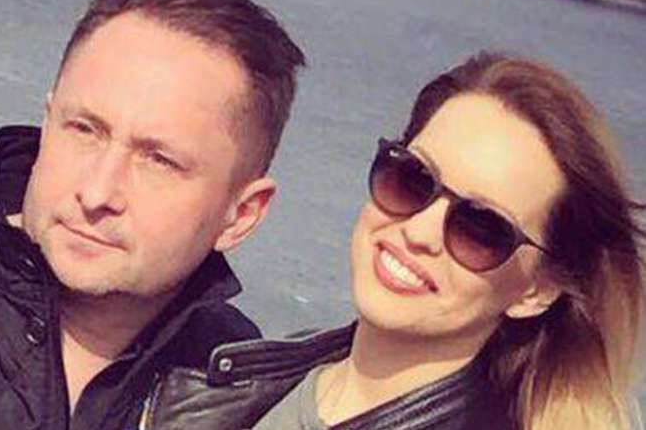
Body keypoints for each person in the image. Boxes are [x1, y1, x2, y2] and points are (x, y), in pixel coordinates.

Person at [0, 0, 305, 429]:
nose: (96, 193)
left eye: (159, 161)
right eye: (84, 130)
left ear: (241, 215)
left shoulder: (238, 391)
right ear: (48, 121)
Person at [139, 52, 645, 430]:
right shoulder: (242, 379)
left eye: (481, 227)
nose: (419, 231)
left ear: (537, 290)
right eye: (412, 179)